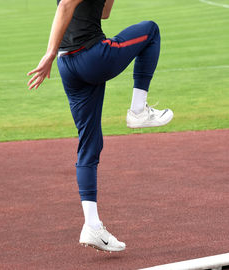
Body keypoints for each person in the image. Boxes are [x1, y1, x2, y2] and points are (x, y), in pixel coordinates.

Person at [27, 0, 173, 253]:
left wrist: (55, 54)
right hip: (91, 57)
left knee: (89, 144)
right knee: (151, 30)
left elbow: (103, 13)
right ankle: (138, 110)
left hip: (69, 65)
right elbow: (65, 7)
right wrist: (48, 53)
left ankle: (92, 226)